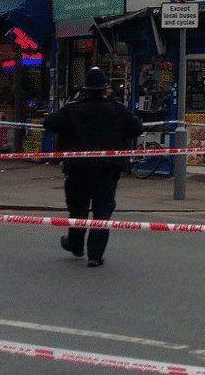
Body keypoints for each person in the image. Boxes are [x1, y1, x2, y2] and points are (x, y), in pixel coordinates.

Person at [42, 67, 143, 267]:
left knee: (78, 208)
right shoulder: (117, 110)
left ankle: (76, 244)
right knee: (102, 211)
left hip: (77, 168)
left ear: (85, 89)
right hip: (107, 169)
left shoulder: (73, 109)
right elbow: (137, 129)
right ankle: (95, 255)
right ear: (105, 89)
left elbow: (49, 123)